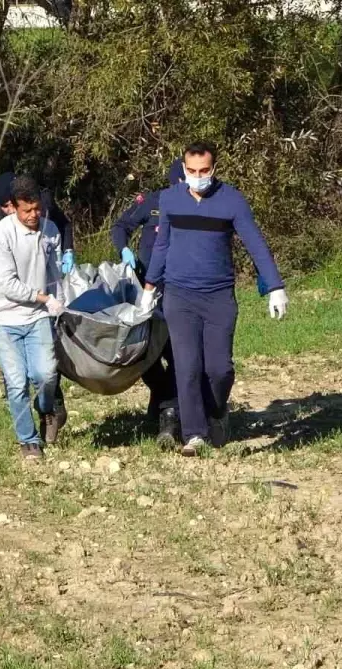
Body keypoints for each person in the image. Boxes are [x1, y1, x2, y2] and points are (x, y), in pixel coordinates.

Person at [144, 142, 289, 457]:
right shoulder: (169, 200)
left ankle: (217, 411)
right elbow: (161, 245)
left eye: (204, 171)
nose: (198, 176)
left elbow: (255, 243)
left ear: (215, 168)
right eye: (192, 171)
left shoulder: (231, 200)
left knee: (219, 369)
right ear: (183, 170)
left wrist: (275, 286)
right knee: (187, 367)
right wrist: (149, 286)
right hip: (179, 296)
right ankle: (195, 434)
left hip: (218, 297)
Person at [0, 176, 66, 460]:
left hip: (37, 317)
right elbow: (8, 284)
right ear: (13, 208)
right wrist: (45, 298)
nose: (33, 216)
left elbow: (55, 272)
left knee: (46, 375)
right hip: (3, 318)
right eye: (26, 211)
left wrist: (62, 297)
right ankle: (28, 440)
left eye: (37, 209)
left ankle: (46, 410)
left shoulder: (50, 230)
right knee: (17, 382)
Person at [111, 159, 187, 446]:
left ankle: (170, 412)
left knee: (178, 353)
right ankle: (161, 397)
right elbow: (120, 227)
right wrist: (124, 250)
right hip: (146, 291)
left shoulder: (198, 208)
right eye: (180, 181)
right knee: (146, 354)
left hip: (180, 291)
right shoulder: (152, 202)